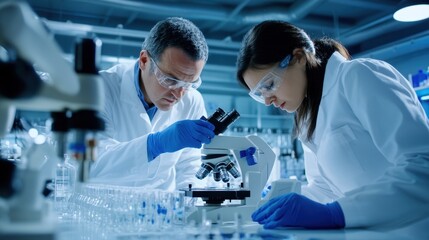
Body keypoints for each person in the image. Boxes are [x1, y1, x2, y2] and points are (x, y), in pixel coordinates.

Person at [236, 20, 429, 233]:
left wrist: (335, 214)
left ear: (299, 57)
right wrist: (282, 201)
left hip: (413, 229)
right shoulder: (307, 117)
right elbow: (325, 189)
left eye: (269, 85)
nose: (268, 101)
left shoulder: (357, 76)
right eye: (260, 95)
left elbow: (423, 165)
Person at [89, 17, 215, 190]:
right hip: (103, 208)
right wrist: (155, 145)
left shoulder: (192, 99)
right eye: (170, 80)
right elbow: (90, 162)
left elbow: (189, 166)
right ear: (144, 61)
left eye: (188, 84)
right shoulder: (98, 89)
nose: (179, 94)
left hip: (161, 210)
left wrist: (190, 208)